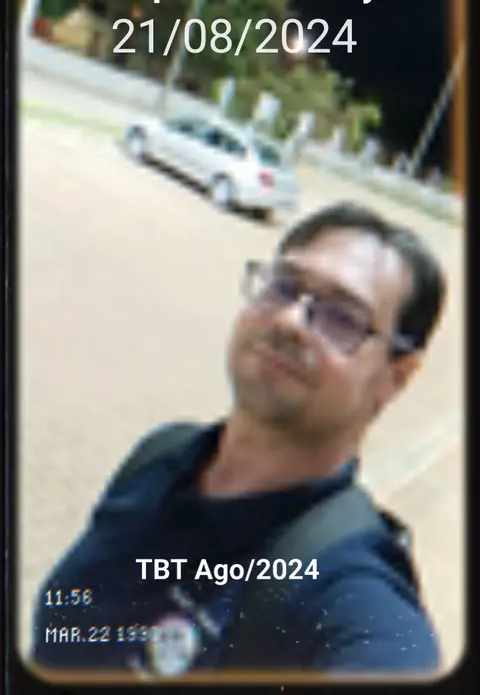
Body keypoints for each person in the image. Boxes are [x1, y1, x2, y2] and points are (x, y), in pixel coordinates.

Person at [31, 202, 447, 678]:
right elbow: (67, 620)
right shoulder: (161, 459)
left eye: (342, 318)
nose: (290, 320)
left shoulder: (347, 592)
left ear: (397, 377)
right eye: (284, 286)